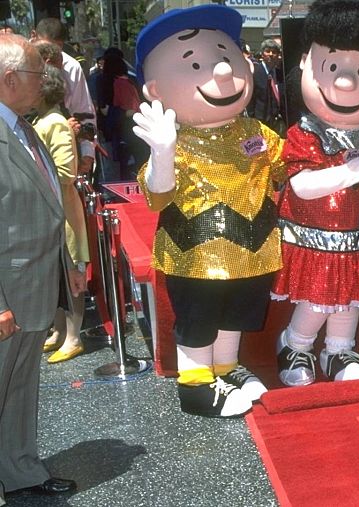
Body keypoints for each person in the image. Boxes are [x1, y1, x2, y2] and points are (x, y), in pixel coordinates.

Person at [133, 5, 284, 417]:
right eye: (196, 64)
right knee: (199, 315)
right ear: (155, 91)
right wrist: (162, 152)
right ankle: (197, 386)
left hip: (252, 247)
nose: (220, 73)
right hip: (196, 251)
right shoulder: (176, 140)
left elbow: (290, 164)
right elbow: (157, 195)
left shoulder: (254, 131)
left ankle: (226, 367)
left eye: (224, 57)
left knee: (235, 311)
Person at [271, 0, 359, 387]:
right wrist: (349, 171)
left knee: (349, 298)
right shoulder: (306, 134)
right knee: (317, 298)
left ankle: (339, 349)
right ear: (304, 64)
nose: (346, 83)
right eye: (332, 67)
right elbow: (301, 185)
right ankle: (295, 344)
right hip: (315, 236)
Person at [0, 34, 83, 501]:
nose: (46, 82)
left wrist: (66, 263)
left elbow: (47, 205)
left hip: (33, 283)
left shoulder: (23, 125)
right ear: (10, 78)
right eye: (37, 73)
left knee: (20, 390)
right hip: (7, 293)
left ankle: (20, 471)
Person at [33, 66, 90, 363]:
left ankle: (73, 335)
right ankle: (59, 331)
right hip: (54, 209)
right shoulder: (44, 120)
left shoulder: (53, 121)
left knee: (72, 277)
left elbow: (66, 172)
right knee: (57, 276)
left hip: (63, 209)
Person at [32, 18, 96, 177]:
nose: (52, 52)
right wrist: (62, 128)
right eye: (46, 47)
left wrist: (87, 151)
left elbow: (84, 109)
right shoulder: (17, 62)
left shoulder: (71, 66)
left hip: (66, 151)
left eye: (57, 48)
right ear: (33, 36)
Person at [97, 49, 146, 180]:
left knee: (114, 169)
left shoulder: (103, 80)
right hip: (136, 129)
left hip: (114, 133)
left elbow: (104, 109)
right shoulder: (133, 79)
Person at [248, 38, 284, 134]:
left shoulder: (281, 74)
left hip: (278, 121)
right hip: (261, 121)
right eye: (267, 51)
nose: (271, 55)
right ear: (262, 54)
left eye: (274, 52)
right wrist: (252, 120)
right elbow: (251, 100)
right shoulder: (255, 73)